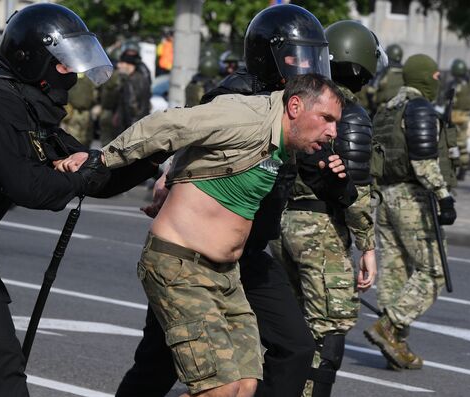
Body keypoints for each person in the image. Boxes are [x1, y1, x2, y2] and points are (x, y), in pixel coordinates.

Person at [110, 5, 351, 397]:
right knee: (158, 363)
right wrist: (166, 177)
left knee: (295, 346)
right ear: (269, 56)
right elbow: (189, 135)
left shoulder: (306, 110)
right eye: (295, 57)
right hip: (195, 252)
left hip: (249, 253)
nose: (305, 67)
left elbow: (326, 178)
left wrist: (335, 181)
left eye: (311, 57)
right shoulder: (236, 96)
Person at [59, 72, 346, 397]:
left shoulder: (286, 142)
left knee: (244, 386)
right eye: (326, 118)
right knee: (219, 389)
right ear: (295, 105)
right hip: (180, 265)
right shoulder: (245, 116)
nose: (332, 130)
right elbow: (171, 125)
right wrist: (103, 159)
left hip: (225, 276)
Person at [0, 4, 159, 396]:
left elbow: (95, 176)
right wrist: (82, 173)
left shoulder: (23, 101)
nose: (70, 76)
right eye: (64, 65)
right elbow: (29, 187)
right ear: (34, 59)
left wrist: (156, 154)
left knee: (3, 374)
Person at [269, 20, 382, 397]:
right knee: (328, 331)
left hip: (281, 223)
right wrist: (367, 245)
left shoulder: (300, 102)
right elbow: (354, 191)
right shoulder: (348, 115)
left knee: (290, 330)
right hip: (322, 231)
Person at [364, 54, 457, 370]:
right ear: (424, 79)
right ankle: (389, 326)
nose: (437, 81)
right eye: (434, 76)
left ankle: (395, 345)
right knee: (433, 271)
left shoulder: (386, 111)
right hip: (412, 198)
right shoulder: (419, 109)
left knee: (395, 273)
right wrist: (444, 196)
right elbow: (424, 160)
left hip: (385, 197)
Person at [99, 46, 151, 145]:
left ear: (129, 65)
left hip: (131, 127)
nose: (119, 66)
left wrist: (130, 129)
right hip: (135, 125)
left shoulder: (132, 81)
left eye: (121, 63)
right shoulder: (139, 78)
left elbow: (132, 106)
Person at [447, 58, 470, 180]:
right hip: (466, 116)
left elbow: (448, 98)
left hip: (455, 116)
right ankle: (463, 166)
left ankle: (454, 167)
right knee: (462, 144)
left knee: (450, 143)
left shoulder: (455, 84)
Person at [370, 43, 404, 114]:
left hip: (384, 111)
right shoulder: (405, 71)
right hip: (402, 108)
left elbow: (372, 90)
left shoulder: (384, 72)